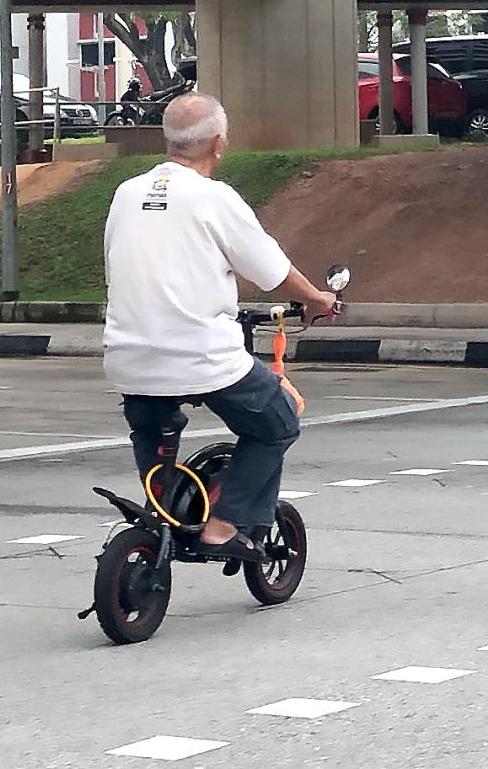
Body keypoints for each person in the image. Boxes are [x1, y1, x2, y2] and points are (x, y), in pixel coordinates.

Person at [102, 92, 336, 563]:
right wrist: (315, 299)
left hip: (128, 357)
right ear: (218, 143)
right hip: (201, 355)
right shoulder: (214, 197)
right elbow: (271, 269)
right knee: (277, 421)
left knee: (153, 426)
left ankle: (163, 512)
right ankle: (223, 526)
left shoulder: (126, 193)